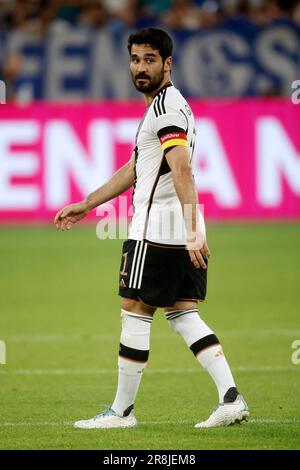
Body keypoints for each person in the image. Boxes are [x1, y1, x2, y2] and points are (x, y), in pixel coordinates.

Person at [54, 28, 249, 429]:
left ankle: (122, 412)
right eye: (135, 59)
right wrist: (88, 204)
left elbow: (182, 168)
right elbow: (134, 169)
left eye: (149, 60)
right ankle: (231, 398)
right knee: (181, 313)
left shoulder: (165, 109)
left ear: (168, 63)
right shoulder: (167, 106)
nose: (140, 68)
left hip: (155, 230)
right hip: (176, 228)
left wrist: (193, 230)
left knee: (134, 310)